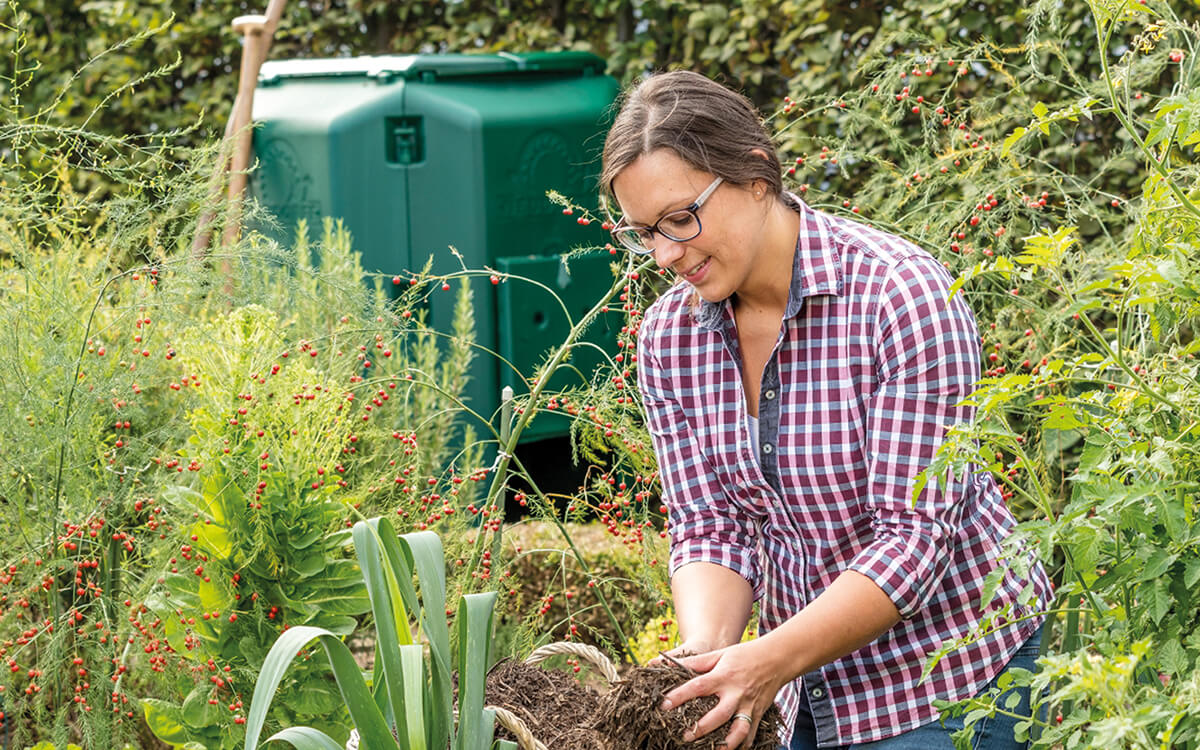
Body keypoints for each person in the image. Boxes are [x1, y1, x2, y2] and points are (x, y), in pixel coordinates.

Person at [599, 70, 1052, 750]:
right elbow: (711, 524)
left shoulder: (901, 298)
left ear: (756, 177)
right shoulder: (670, 337)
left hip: (952, 677)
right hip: (799, 682)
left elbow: (914, 538)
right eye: (644, 233)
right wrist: (707, 652)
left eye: (680, 219)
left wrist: (768, 658)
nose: (665, 253)